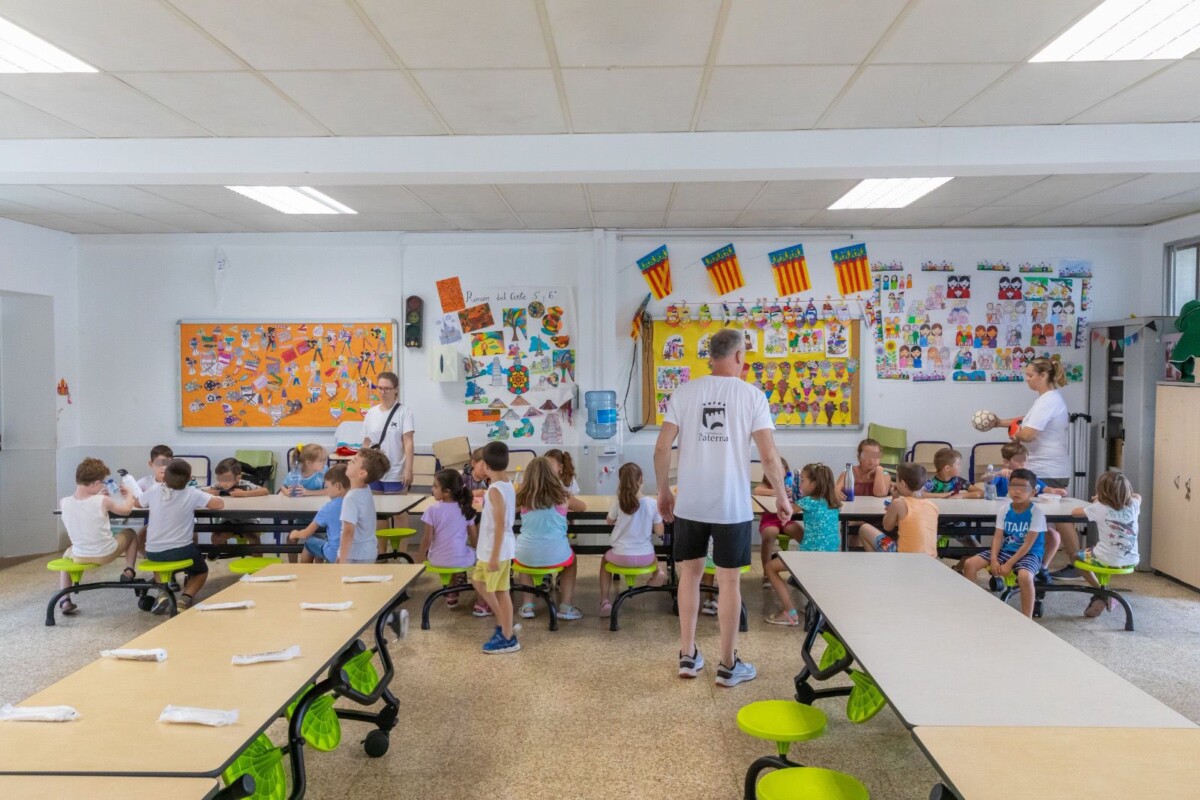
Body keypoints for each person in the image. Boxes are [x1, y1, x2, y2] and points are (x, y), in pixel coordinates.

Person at [654, 327, 791, 686]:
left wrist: (663, 491)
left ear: (711, 356)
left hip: (690, 504)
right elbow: (769, 456)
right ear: (739, 356)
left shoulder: (684, 392)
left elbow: (661, 448)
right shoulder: (752, 396)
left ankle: (687, 655)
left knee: (690, 575)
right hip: (732, 506)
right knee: (729, 581)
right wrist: (781, 495)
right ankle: (728, 665)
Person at [991, 357, 1078, 578]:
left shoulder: (1049, 400)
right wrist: (999, 422)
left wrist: (1014, 434)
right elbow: (1025, 421)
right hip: (1042, 467)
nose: (1026, 379)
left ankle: (1076, 563)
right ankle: (1043, 566)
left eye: (1030, 375)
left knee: (1060, 520)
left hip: (1050, 469)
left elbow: (1028, 434)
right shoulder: (1044, 399)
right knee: (1045, 523)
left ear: (1044, 375)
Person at [55, 458, 140, 616]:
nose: (103, 486)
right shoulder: (103, 500)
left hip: (80, 556)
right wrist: (130, 495)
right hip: (105, 554)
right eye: (102, 483)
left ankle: (65, 600)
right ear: (95, 483)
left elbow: (85, 504)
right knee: (131, 533)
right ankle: (129, 571)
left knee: (67, 554)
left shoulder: (64, 502)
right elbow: (126, 510)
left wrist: (97, 495)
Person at [137, 459, 223, 612]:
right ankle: (185, 598)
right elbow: (219, 504)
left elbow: (137, 503)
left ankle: (162, 593)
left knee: (158, 563)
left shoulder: (154, 489)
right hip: (182, 550)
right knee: (201, 571)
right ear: (189, 479)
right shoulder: (192, 493)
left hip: (153, 551)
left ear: (165, 477)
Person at [960, 469, 1047, 618]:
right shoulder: (1004, 510)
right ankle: (973, 608)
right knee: (970, 564)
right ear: (1008, 487)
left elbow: (1028, 544)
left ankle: (1027, 619)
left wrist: (1009, 564)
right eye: (1013, 486)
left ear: (1033, 492)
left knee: (1024, 576)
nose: (1017, 491)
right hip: (1006, 550)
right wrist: (994, 559)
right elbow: (998, 537)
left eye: (1023, 488)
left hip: (1029, 553)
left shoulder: (1036, 513)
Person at [763, 464, 842, 626]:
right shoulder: (834, 502)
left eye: (803, 481)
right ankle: (814, 606)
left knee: (770, 567)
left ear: (813, 484)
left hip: (809, 557)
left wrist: (782, 500)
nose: (800, 485)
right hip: (832, 557)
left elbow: (786, 512)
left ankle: (789, 612)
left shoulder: (808, 501)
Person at [513, 457, 586, 620]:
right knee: (571, 561)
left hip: (525, 552)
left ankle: (527, 605)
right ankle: (566, 606)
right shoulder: (563, 496)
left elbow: (510, 508)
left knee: (523, 562)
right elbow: (583, 507)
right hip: (555, 553)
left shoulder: (523, 497)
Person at [599, 463, 666, 617]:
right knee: (649, 549)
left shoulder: (619, 502)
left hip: (620, 556)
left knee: (604, 561)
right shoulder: (652, 503)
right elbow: (659, 531)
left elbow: (609, 521)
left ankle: (604, 601)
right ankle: (658, 572)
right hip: (645, 558)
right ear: (641, 479)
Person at [1071, 470, 1140, 618]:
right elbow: (1138, 496)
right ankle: (1102, 593)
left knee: (1075, 556)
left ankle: (1101, 591)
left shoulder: (1099, 507)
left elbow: (1075, 512)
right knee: (1097, 553)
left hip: (1105, 558)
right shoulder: (1134, 505)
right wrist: (1124, 494)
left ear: (1100, 491)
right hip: (1131, 560)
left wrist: (1098, 500)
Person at [472, 441, 520, 654]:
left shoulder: (495, 490)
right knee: (478, 581)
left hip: (496, 551)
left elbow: (500, 524)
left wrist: (493, 556)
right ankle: (504, 622)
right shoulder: (505, 484)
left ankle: (508, 637)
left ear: (484, 464)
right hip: (488, 549)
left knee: (502, 592)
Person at [416, 469, 478, 608]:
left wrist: (420, 558)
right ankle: (462, 585)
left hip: (436, 559)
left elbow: (427, 539)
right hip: (460, 559)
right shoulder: (465, 509)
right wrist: (477, 550)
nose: (432, 489)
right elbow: (474, 537)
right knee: (465, 552)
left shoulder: (432, 510)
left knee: (450, 553)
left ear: (447, 492)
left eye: (435, 486)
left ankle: (451, 593)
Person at [858, 464, 939, 557]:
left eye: (896, 480)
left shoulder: (899, 503)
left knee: (864, 529)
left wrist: (894, 498)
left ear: (903, 484)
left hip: (903, 558)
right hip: (930, 558)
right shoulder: (933, 506)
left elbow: (887, 526)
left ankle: (879, 563)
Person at [361, 371, 415, 493]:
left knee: (395, 504)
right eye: (380, 388)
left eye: (387, 388)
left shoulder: (404, 412)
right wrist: (361, 466)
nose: (382, 392)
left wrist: (409, 469)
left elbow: (408, 442)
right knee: (375, 504)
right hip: (374, 470)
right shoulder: (371, 413)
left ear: (395, 390)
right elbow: (366, 442)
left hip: (395, 471)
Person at [754, 457, 803, 586]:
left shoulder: (790, 483)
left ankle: (802, 570)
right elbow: (757, 490)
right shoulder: (767, 484)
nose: (776, 472)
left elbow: (802, 495)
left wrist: (796, 492)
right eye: (772, 469)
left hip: (786, 520)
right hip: (770, 520)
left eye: (780, 469)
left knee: (803, 535)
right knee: (770, 534)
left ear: (786, 471)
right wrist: (778, 491)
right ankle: (767, 572)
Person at [835, 438, 892, 548]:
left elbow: (880, 493)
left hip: (877, 519)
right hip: (854, 516)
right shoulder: (849, 472)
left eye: (876, 456)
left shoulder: (884, 474)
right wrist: (837, 492)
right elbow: (835, 489)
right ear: (859, 457)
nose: (872, 460)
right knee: (854, 544)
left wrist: (879, 470)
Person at [338, 449, 391, 564]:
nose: (349, 462)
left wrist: (342, 559)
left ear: (362, 473)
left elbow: (348, 531)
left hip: (355, 555)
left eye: (354, 461)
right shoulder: (366, 489)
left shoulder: (351, 498)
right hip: (368, 551)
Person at [288, 464, 349, 563]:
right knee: (321, 542)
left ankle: (303, 571)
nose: (327, 490)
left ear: (337, 486)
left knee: (309, 543)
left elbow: (305, 534)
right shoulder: (355, 503)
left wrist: (295, 534)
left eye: (327, 487)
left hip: (335, 554)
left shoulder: (328, 508)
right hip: (354, 552)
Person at [206, 457, 269, 548]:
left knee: (254, 538)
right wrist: (208, 492)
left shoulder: (245, 484)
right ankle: (221, 552)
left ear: (238, 478)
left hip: (248, 520)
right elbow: (200, 490)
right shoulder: (218, 486)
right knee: (216, 538)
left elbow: (265, 490)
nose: (223, 483)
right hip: (228, 521)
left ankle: (256, 556)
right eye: (220, 479)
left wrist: (245, 493)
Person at [971, 442, 1068, 498]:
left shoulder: (1029, 476)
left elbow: (1044, 488)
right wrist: (997, 474)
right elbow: (984, 478)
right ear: (1006, 462)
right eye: (1018, 460)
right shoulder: (1002, 476)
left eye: (1025, 460)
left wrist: (1054, 491)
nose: (1023, 463)